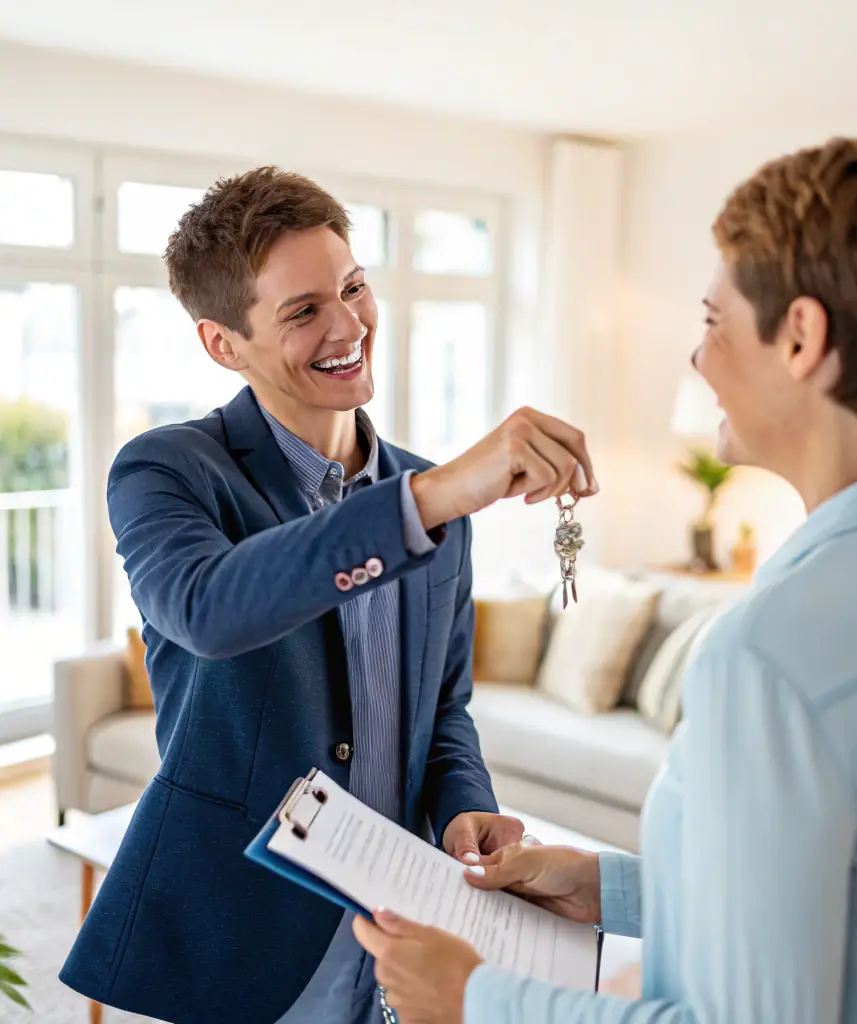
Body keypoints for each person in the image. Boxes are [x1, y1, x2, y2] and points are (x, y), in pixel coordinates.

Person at [352, 131, 857, 1023]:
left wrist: (476, 1000)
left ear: (800, 337)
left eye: (712, 323)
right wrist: (609, 889)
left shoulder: (773, 653)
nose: (698, 360)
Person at [58, 167, 598, 1024]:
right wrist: (434, 498)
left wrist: (467, 806)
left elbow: (443, 706)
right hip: (247, 930)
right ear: (222, 343)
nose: (350, 326)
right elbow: (209, 609)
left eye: (351, 288)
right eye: (304, 311)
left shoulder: (429, 496)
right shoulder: (167, 470)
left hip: (407, 920)